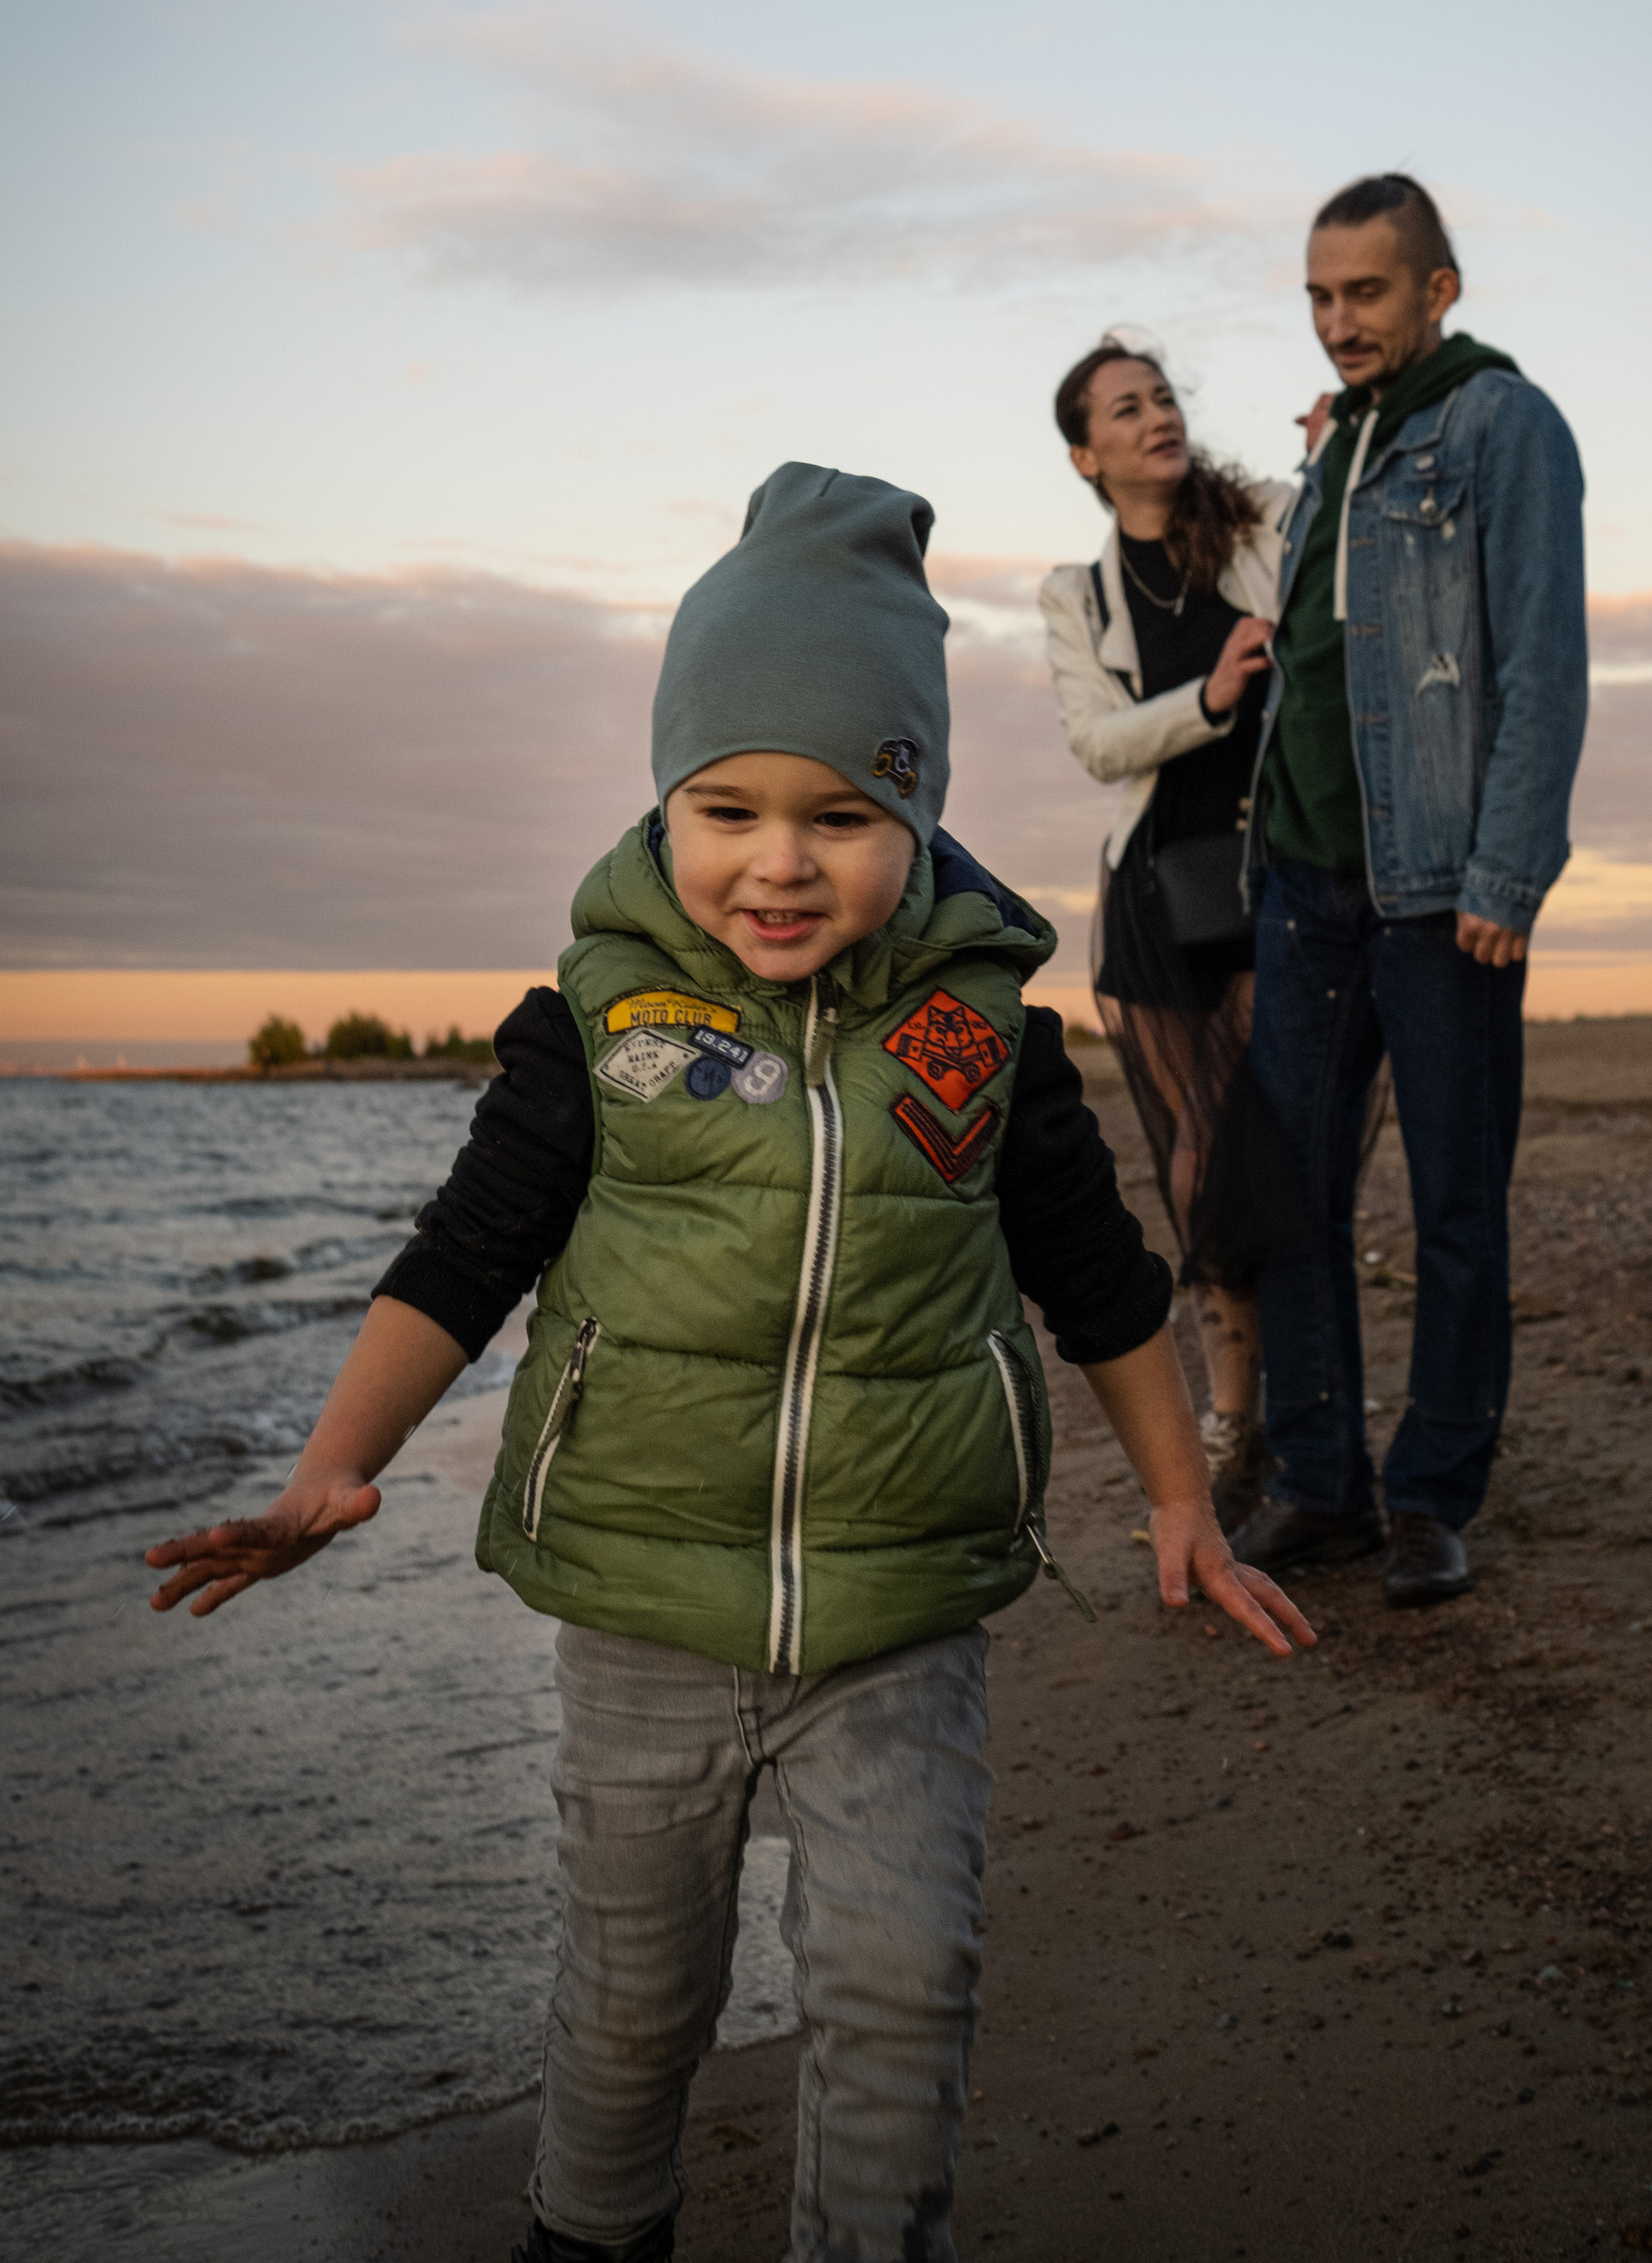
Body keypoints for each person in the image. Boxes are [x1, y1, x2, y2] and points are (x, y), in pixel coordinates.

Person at [147, 461, 1312, 2263]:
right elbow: (465, 1259)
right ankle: (590, 2237)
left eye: (838, 815)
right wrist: (331, 1463)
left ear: (915, 811)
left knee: (904, 1981)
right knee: (630, 2003)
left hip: (901, 1607)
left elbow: (1099, 1283)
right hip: (643, 1610)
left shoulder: (981, 1032)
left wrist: (1180, 1500)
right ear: (666, 805)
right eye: (726, 810)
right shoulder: (595, 1025)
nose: (777, 860)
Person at [1229, 177, 1588, 1611]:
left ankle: (1434, 1495)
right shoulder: (1343, 449)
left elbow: (1543, 666)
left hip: (1443, 889)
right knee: (1292, 1194)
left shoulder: (1504, 425)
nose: (1338, 322)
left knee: (1454, 1201)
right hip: (1306, 885)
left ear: (1439, 287)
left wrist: (1510, 870)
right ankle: (1321, 1485)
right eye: (1319, 298)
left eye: (1365, 293)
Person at [1038, 343, 1291, 1523]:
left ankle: (1280, 1405)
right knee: (1192, 1153)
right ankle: (1231, 1416)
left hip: (1275, 871)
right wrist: (1209, 700)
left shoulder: (1266, 525)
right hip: (1153, 892)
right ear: (1089, 456)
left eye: (1166, 398)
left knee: (1254, 1141)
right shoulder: (1077, 594)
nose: (1157, 418)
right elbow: (1097, 744)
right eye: (1126, 409)